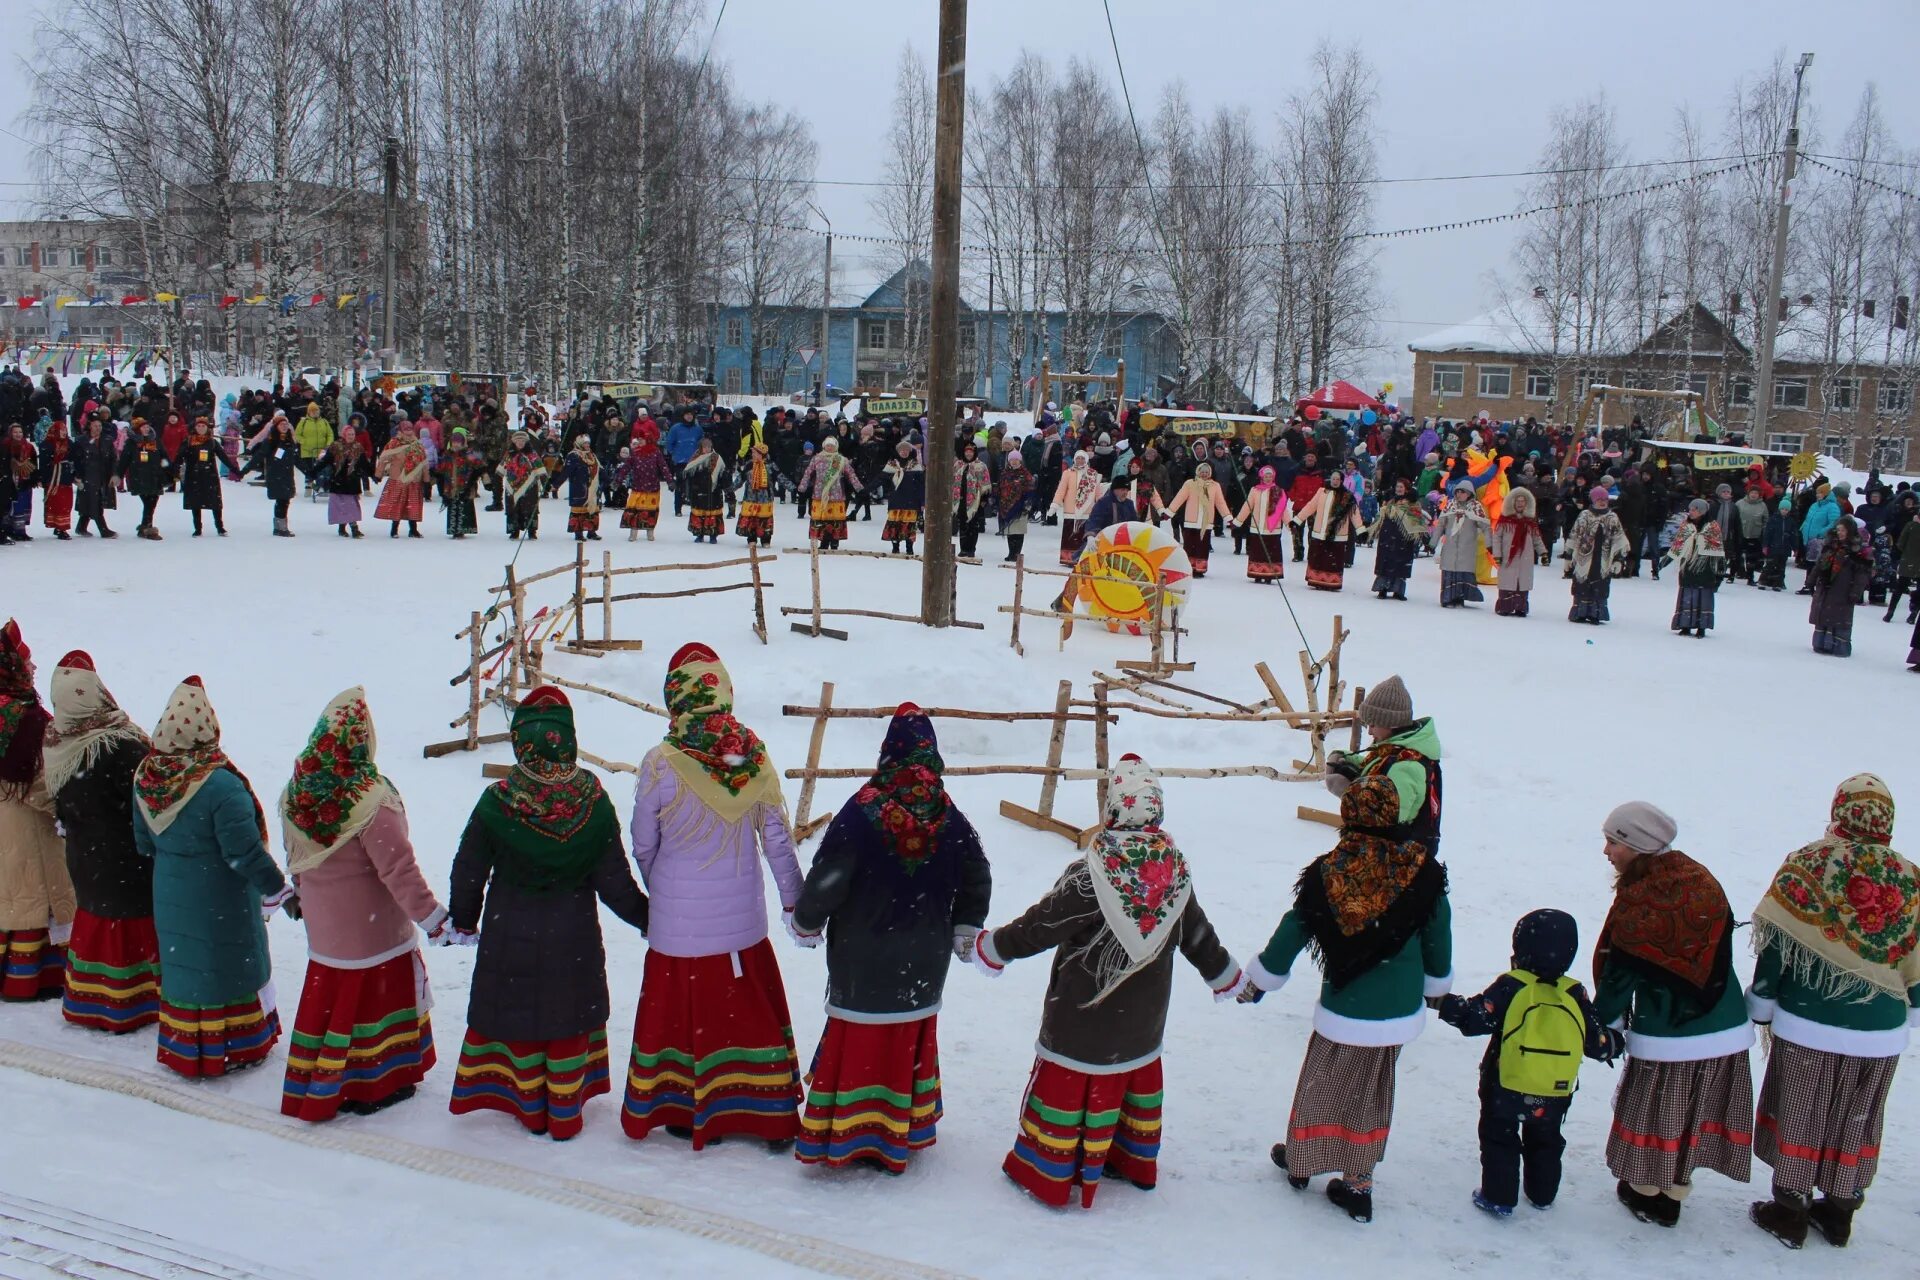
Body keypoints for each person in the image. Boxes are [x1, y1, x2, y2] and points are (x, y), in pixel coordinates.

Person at [971, 755, 1243, 1208]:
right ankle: (1126, 1157)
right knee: (1126, 1076)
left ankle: (1052, 1170)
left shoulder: (1090, 875)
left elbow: (1039, 927)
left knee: (1075, 1083)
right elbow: (1198, 936)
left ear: (1113, 810)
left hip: (1081, 1020)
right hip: (1140, 1025)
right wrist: (1225, 975)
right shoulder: (1172, 874)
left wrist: (993, 947)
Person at [789, 704, 992, 1174]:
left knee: (859, 1042)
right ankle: (900, 1128)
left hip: (863, 960)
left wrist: (806, 921)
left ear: (888, 752)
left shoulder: (863, 811)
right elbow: (977, 874)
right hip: (922, 962)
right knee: (903, 1044)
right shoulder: (948, 815)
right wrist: (966, 925)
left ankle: (846, 1131)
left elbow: (829, 877)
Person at [1243, 775, 1451, 1224]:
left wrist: (1264, 977)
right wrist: (1436, 987)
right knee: (1372, 1093)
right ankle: (1358, 1183)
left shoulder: (1329, 872)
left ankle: (1302, 1161)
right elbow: (1438, 935)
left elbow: (1294, 928)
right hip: (1396, 1009)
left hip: (1345, 1006)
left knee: (1322, 1082)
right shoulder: (1423, 871)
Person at [621, 643, 804, 1150]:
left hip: (677, 933)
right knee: (744, 1019)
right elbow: (778, 842)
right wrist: (796, 905)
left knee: (680, 1021)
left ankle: (681, 1108)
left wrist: (665, 890)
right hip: (739, 932)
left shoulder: (660, 763)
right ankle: (763, 1110)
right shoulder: (752, 757)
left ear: (674, 697)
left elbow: (642, 842)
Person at [447, 686, 648, 1140]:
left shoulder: (498, 802)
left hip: (508, 933)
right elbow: (614, 880)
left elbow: (469, 867)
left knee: (518, 1014)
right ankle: (562, 1109)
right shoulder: (592, 802)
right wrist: (649, 919)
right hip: (571, 936)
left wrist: (464, 918)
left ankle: (526, 1104)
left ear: (521, 742)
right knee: (565, 1016)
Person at [1746, 773, 1919, 1249]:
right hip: (1881, 1028)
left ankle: (1790, 1210)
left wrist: (1762, 1000)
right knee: (1858, 1114)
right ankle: (1840, 1211)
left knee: (1802, 1109)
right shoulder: (1910, 876)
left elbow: (1779, 941)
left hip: (1810, 1022)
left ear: (1839, 810)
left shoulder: (1809, 862)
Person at [279, 688, 448, 1122]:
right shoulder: (371, 799)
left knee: (335, 1007)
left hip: (327, 929)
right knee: (372, 1008)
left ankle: (328, 1080)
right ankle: (374, 1084)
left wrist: (304, 896)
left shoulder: (300, 788)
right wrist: (432, 918)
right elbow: (399, 870)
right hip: (373, 935)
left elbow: (295, 855)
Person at [1592, 801, 1754, 1228]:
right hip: (1722, 1021)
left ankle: (1647, 1192)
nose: (1606, 851)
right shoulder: (1703, 881)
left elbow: (1618, 974)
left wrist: (1603, 1022)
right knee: (1694, 1112)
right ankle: (1676, 1190)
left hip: (1669, 1030)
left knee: (1659, 1112)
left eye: (1613, 842)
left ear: (1638, 846)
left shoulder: (1640, 901)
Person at [133, 676, 293, 1078]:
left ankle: (188, 1047)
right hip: (219, 897)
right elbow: (244, 852)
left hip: (169, 890)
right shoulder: (220, 784)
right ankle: (234, 1046)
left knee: (187, 968)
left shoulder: (147, 777)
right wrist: (278, 889)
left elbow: (143, 842)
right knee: (225, 964)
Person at [1438, 910, 1621, 1218]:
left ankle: (1499, 1196)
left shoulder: (1513, 985)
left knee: (1499, 1137)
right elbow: (1596, 1043)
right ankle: (1542, 1193)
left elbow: (1476, 1018)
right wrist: (1615, 1043)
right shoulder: (1574, 992)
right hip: (1554, 1089)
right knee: (1546, 1140)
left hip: (1504, 1083)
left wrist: (1445, 1004)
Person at [44, 652, 156, 1032]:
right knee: (129, 926)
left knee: (97, 920)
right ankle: (132, 1002)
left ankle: (91, 999)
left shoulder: (58, 741)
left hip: (85, 855)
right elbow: (150, 798)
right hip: (126, 859)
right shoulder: (119, 747)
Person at [0, 620, 73, 1002]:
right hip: (25, 825)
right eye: (26, 665)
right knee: (32, 897)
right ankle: (29, 977)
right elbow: (41, 784)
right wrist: (70, 809)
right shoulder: (27, 722)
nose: (31, 671)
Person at [1324, 676, 1443, 858]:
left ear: (1392, 723)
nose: (1369, 731)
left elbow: (1386, 821)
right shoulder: (1398, 748)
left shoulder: (1406, 767)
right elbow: (1379, 765)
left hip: (1397, 863)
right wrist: (1344, 758)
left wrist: (1349, 792)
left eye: (1373, 724)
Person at [1291, 470, 1366, 591]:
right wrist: (1297, 520)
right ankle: (1316, 580)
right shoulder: (1322, 492)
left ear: (1341, 481)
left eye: (1337, 479)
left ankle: (1331, 582)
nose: (1335, 481)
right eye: (1333, 479)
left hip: (1338, 535)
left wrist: (1361, 530)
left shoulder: (1347, 497)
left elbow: (1355, 514)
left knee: (1333, 560)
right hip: (1319, 532)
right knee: (1318, 558)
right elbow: (1310, 506)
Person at [1807, 517, 1872, 656]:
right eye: (1838, 530)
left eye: (1843, 530)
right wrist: (1811, 580)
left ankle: (1838, 646)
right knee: (1824, 615)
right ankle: (1821, 643)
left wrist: (1856, 592)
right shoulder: (1830, 547)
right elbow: (1819, 565)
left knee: (1840, 617)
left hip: (1844, 588)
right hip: (1826, 586)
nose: (1840, 533)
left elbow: (1862, 574)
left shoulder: (1858, 551)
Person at [1568, 487, 1631, 625]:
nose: (1602, 502)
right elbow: (1574, 533)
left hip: (1602, 557)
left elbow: (1619, 538)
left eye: (1605, 500)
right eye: (1599, 500)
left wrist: (1618, 559)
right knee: (1582, 584)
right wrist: (1568, 555)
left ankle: (1596, 613)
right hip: (1584, 556)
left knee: (1599, 584)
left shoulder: (1612, 517)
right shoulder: (1584, 515)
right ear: (1593, 500)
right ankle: (1581, 611)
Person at [1664, 498, 1725, 638]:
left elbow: (1718, 548)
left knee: (1702, 595)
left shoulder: (1712, 527)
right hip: (1688, 565)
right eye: (1690, 509)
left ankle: (1701, 626)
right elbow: (1678, 544)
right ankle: (1685, 624)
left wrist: (1720, 569)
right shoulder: (1686, 526)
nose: (1691, 512)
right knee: (1688, 593)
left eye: (1694, 510)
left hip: (1705, 566)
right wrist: (1666, 561)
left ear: (1702, 511)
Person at [1162, 462, 1232, 579]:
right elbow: (1179, 498)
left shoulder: (1215, 486)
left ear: (1209, 473)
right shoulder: (1190, 484)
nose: (1204, 474)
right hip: (1191, 521)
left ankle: (1199, 569)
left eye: (1206, 472)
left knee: (1202, 546)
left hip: (1206, 522)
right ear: (1198, 472)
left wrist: (1227, 517)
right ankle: (1188, 568)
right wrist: (1169, 512)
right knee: (1190, 545)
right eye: (1202, 472)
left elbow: (1220, 503)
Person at [179, 417, 240, 536]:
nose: (201, 428)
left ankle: (220, 527)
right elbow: (179, 456)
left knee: (215, 502)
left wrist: (234, 470)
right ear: (195, 428)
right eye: (199, 426)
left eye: (203, 426)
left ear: (207, 428)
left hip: (209, 475)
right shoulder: (189, 441)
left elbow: (223, 457)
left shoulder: (212, 442)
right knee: (195, 503)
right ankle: (197, 528)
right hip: (194, 475)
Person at [243, 415, 301, 537]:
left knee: (285, 500)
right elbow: (260, 455)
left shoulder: (289, 440)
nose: (284, 426)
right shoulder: (271, 440)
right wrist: (245, 470)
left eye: (286, 424)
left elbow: (297, 459)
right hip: (276, 474)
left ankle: (280, 527)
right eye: (281, 424)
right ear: (276, 426)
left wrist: (309, 472)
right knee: (281, 500)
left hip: (287, 474)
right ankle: (280, 527)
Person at [799, 436, 861, 550]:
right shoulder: (817, 459)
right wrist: (803, 485)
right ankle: (823, 540)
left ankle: (834, 541)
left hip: (836, 494)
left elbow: (850, 474)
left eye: (832, 446)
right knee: (822, 520)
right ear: (824, 446)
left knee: (835, 520)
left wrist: (859, 487)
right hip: (820, 494)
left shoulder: (840, 459)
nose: (830, 448)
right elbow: (808, 473)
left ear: (835, 447)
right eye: (828, 445)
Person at [1490, 486, 1543, 616]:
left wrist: (1543, 552)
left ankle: (1520, 607)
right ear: (1512, 502)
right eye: (1517, 501)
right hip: (1508, 557)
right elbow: (1497, 538)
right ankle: (1505, 606)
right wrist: (1497, 554)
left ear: (1527, 503)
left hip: (1525, 557)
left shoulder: (1530, 522)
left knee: (1522, 582)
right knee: (1508, 581)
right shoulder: (1504, 520)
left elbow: (1537, 538)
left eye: (1522, 501)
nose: (1520, 503)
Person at [1368, 478, 1423, 601]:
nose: (1398, 489)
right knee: (1386, 562)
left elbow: (1417, 521)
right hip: (1388, 536)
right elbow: (1382, 517)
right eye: (1397, 487)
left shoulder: (1412, 504)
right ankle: (1383, 588)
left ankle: (1398, 590)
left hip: (1403, 538)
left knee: (1400, 563)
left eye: (1401, 487)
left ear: (1407, 489)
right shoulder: (1390, 501)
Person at [1435, 482, 1489, 607]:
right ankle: (1448, 598)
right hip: (1450, 546)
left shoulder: (1476, 507)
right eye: (1457, 492)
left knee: (1462, 573)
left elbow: (1485, 526)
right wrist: (1432, 543)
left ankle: (1460, 597)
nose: (1459, 494)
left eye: (1462, 492)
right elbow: (1440, 525)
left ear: (1469, 494)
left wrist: (1489, 544)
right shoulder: (1450, 506)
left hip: (1467, 547)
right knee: (1449, 572)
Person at [373, 425, 430, 539]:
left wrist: (426, 479)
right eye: (406, 430)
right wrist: (378, 474)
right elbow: (384, 458)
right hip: (398, 479)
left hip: (414, 480)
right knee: (397, 504)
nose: (409, 432)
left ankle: (413, 529)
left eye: (410, 430)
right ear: (400, 431)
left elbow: (424, 463)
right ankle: (394, 529)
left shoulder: (418, 445)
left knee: (412, 506)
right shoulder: (394, 443)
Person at [618, 421, 669, 543]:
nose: (640, 442)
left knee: (650, 511)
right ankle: (633, 532)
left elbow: (663, 467)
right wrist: (618, 479)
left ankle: (650, 532)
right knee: (635, 510)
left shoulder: (656, 453)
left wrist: (670, 481)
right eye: (638, 439)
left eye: (642, 439)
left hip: (652, 487)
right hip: (638, 486)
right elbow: (626, 467)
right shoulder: (635, 453)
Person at [1051, 450, 1103, 566]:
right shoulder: (1068, 473)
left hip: (1087, 510)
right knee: (1070, 535)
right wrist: (1055, 504)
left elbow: (1097, 492)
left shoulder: (1093, 474)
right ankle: (1068, 558)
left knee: (1082, 536)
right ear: (1074, 459)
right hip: (1070, 510)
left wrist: (1101, 506)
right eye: (1078, 458)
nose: (1080, 461)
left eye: (1082, 459)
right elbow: (1061, 490)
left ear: (1086, 460)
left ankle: (1081, 558)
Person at [324, 425, 374, 539]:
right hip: (339, 481)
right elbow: (325, 461)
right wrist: (313, 472)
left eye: (353, 434)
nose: (351, 436)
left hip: (352, 481)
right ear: (344, 434)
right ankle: (354, 529)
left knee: (350, 506)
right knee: (345, 506)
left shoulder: (358, 447)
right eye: (349, 434)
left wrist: (373, 475)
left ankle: (343, 528)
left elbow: (364, 464)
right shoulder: (336, 446)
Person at [73, 417, 118, 538]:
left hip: (103, 475)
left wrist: (114, 474)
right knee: (94, 501)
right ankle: (103, 530)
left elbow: (113, 458)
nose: (98, 428)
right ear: (90, 426)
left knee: (91, 501)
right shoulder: (81, 441)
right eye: (95, 426)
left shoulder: (107, 440)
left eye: (100, 426)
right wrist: (77, 476)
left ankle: (81, 527)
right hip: (87, 475)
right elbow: (76, 460)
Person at [881, 440, 926, 555]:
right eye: (902, 450)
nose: (904, 452)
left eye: (906, 450)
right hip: (896, 501)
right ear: (898, 452)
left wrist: (922, 501)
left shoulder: (916, 466)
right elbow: (881, 480)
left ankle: (909, 547)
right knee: (894, 524)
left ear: (910, 451)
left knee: (909, 525)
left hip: (911, 502)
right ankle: (895, 546)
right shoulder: (891, 465)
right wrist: (865, 490)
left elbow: (921, 486)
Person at [437, 428, 482, 539]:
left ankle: (462, 528)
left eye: (458, 442)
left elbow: (479, 464)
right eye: (454, 442)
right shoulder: (448, 454)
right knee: (453, 506)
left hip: (465, 484)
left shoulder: (468, 453)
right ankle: (453, 528)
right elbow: (441, 469)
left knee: (463, 506)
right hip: (450, 485)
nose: (456, 444)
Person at [498, 428, 543, 540]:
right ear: (514, 442)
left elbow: (540, 468)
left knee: (530, 508)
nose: (520, 443)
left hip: (530, 485)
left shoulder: (532, 454)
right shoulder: (509, 454)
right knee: (513, 509)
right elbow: (501, 469)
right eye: (518, 441)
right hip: (512, 485)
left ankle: (531, 531)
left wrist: (545, 479)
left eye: (522, 441)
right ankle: (514, 530)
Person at [733, 442, 777, 547]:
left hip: (765, 498)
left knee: (765, 519)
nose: (753, 454)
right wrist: (731, 489)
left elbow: (780, 476)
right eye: (752, 452)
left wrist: (793, 487)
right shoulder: (749, 464)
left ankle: (765, 540)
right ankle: (751, 539)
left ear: (761, 454)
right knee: (751, 520)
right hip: (750, 497)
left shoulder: (770, 465)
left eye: (755, 452)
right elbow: (741, 478)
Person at [995, 449, 1036, 562]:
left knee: (1018, 531)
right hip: (1006, 506)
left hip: (1020, 507)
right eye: (1012, 460)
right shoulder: (1004, 473)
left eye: (1016, 460)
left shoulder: (1025, 474)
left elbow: (1031, 490)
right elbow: (999, 488)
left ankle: (1016, 554)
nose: (1014, 462)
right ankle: (1011, 552)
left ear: (1020, 461)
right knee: (1010, 531)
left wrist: (1028, 504)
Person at [560, 434, 602, 543]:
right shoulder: (573, 455)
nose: (587, 445)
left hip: (592, 487)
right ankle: (578, 532)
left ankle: (591, 531)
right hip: (579, 487)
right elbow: (566, 471)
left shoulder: (591, 455)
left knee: (592, 509)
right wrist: (555, 485)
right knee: (579, 511)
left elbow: (598, 468)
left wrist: (607, 480)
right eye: (585, 443)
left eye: (588, 443)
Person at [37, 421, 74, 539]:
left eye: (65, 430)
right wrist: (41, 478)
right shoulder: (47, 444)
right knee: (56, 503)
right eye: (61, 430)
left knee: (65, 503)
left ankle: (61, 526)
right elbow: (43, 463)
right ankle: (59, 527)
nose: (63, 433)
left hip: (65, 477)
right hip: (52, 477)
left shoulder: (69, 443)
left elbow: (76, 457)